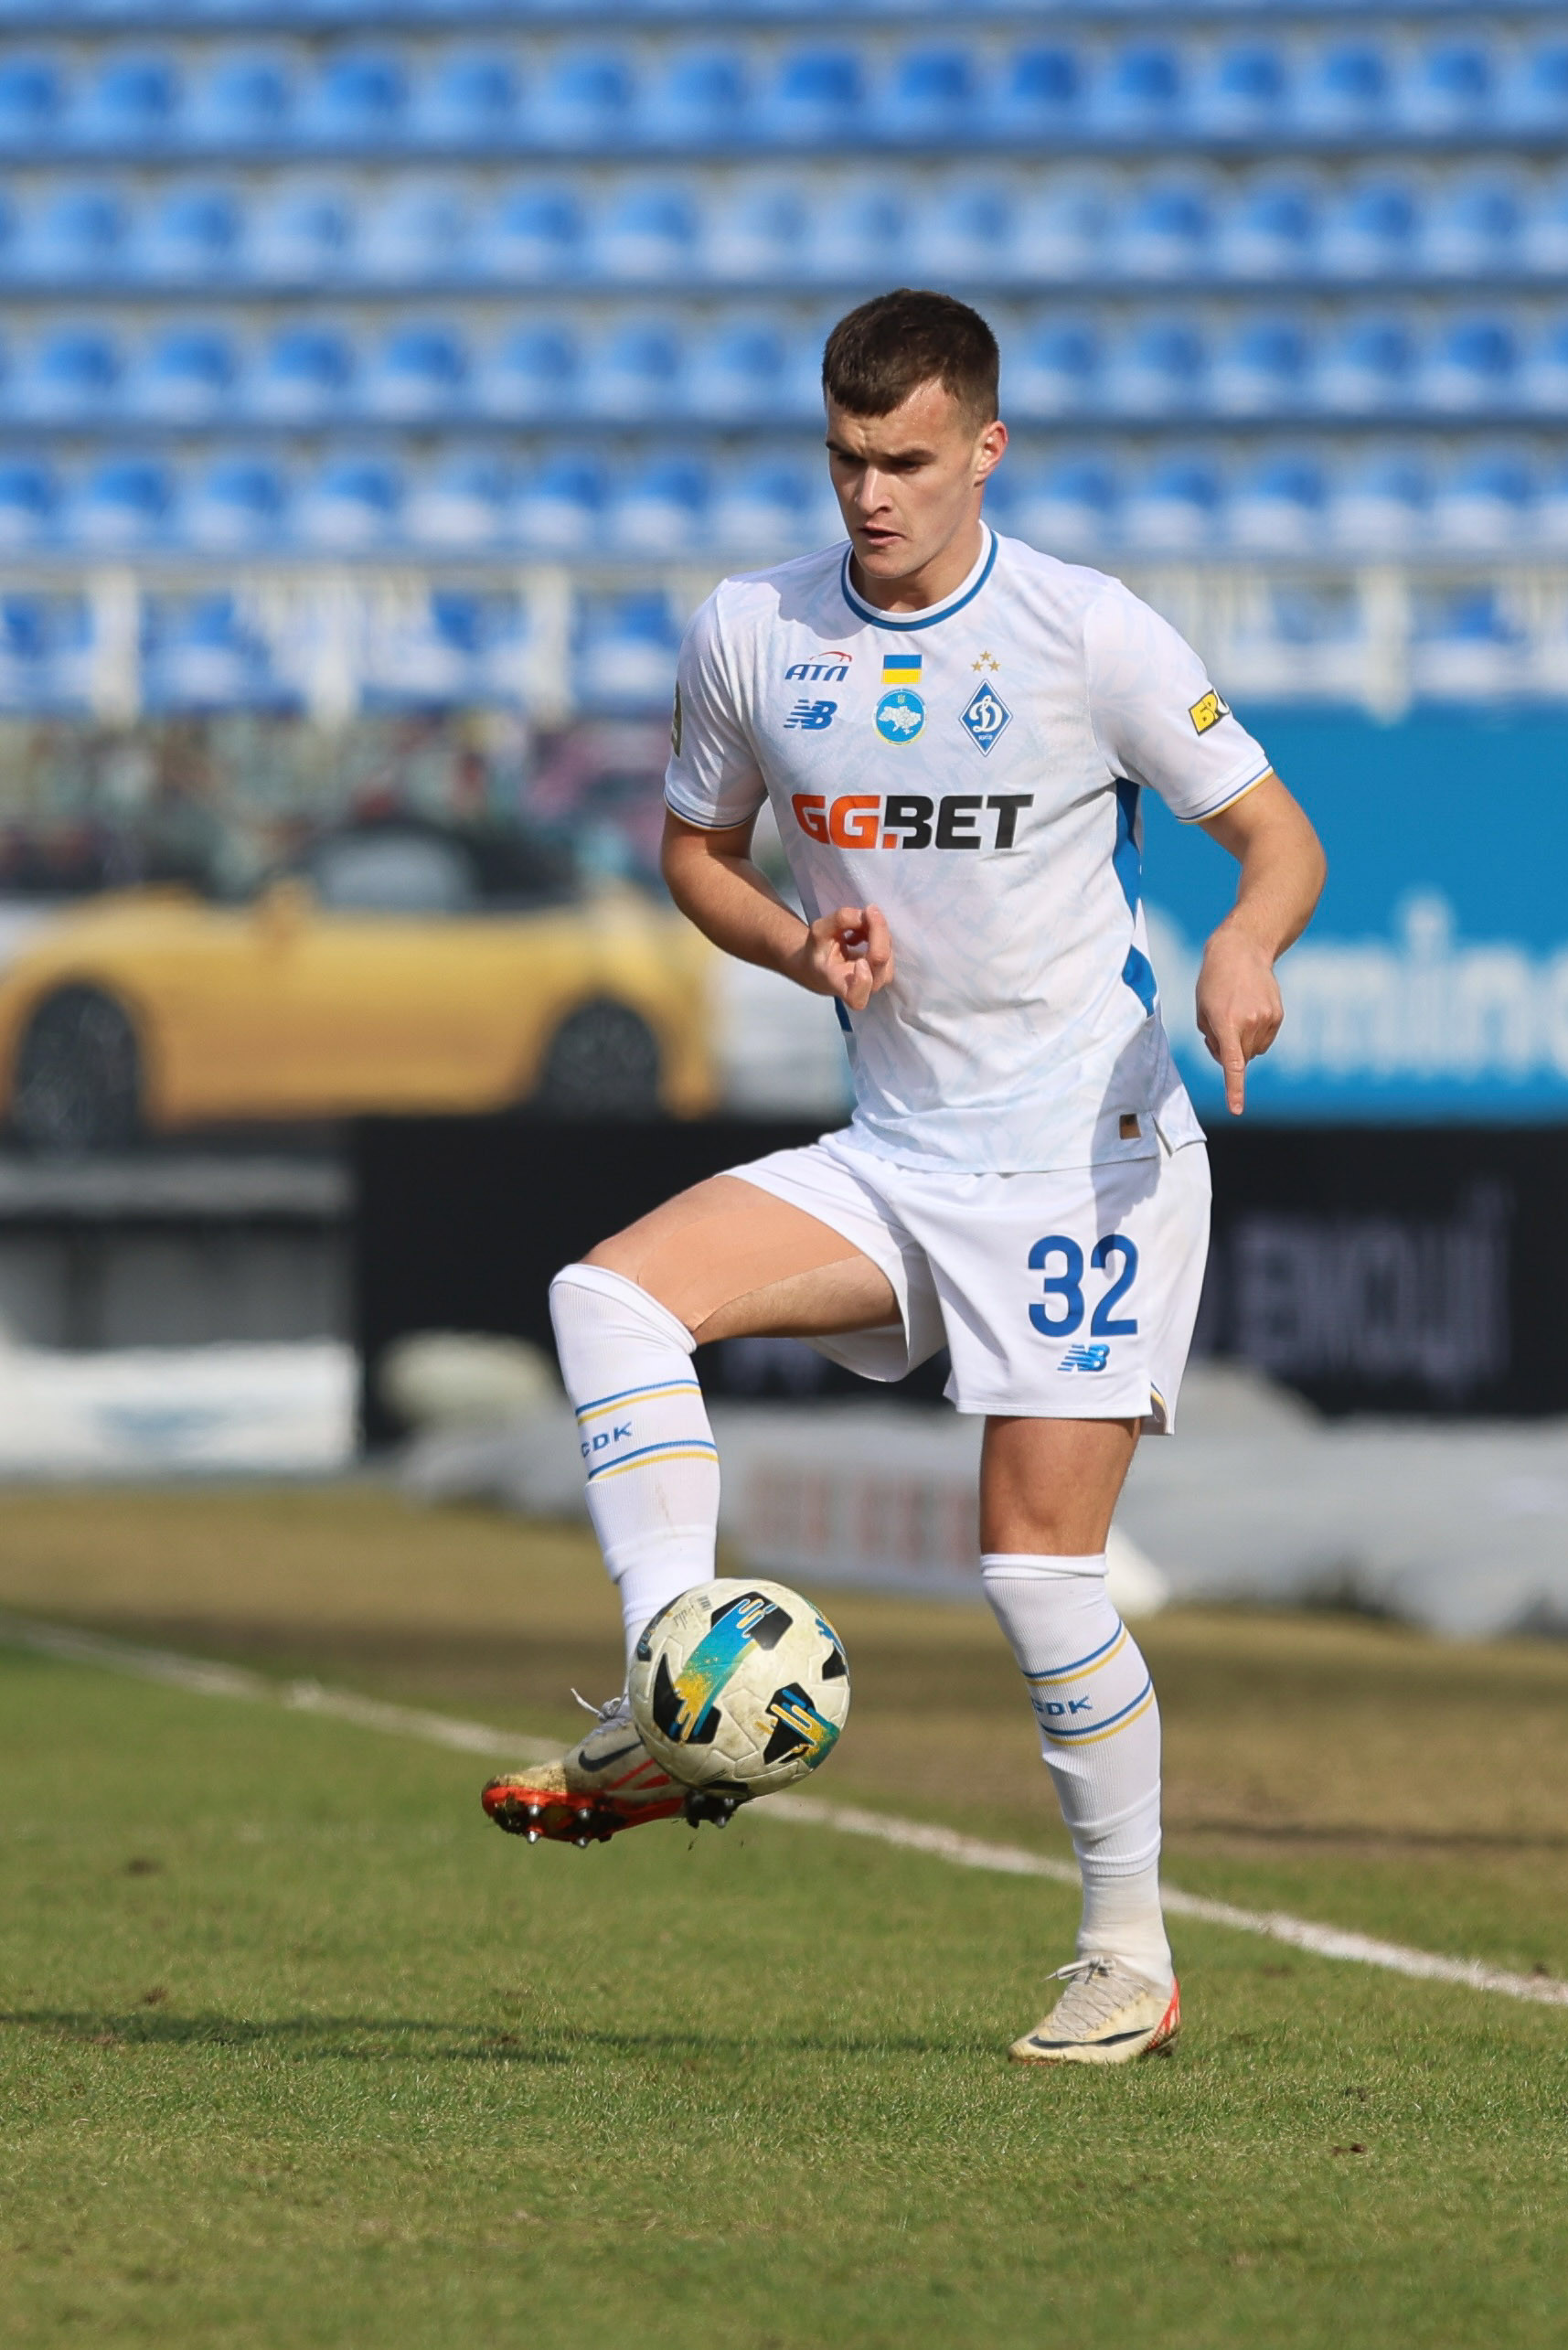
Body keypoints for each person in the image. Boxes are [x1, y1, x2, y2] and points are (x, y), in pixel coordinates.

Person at [476, 290, 1326, 2066]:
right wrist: (797, 946)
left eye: (909, 461)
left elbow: (1276, 836)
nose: (872, 494)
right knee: (607, 1295)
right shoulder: (753, 630)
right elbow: (692, 850)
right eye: (847, 458)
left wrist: (1247, 946)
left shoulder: (1085, 631)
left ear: (985, 451)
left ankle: (1126, 1954)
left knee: (1037, 1573)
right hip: (900, 1153)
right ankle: (676, 1674)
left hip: (1087, 1159)